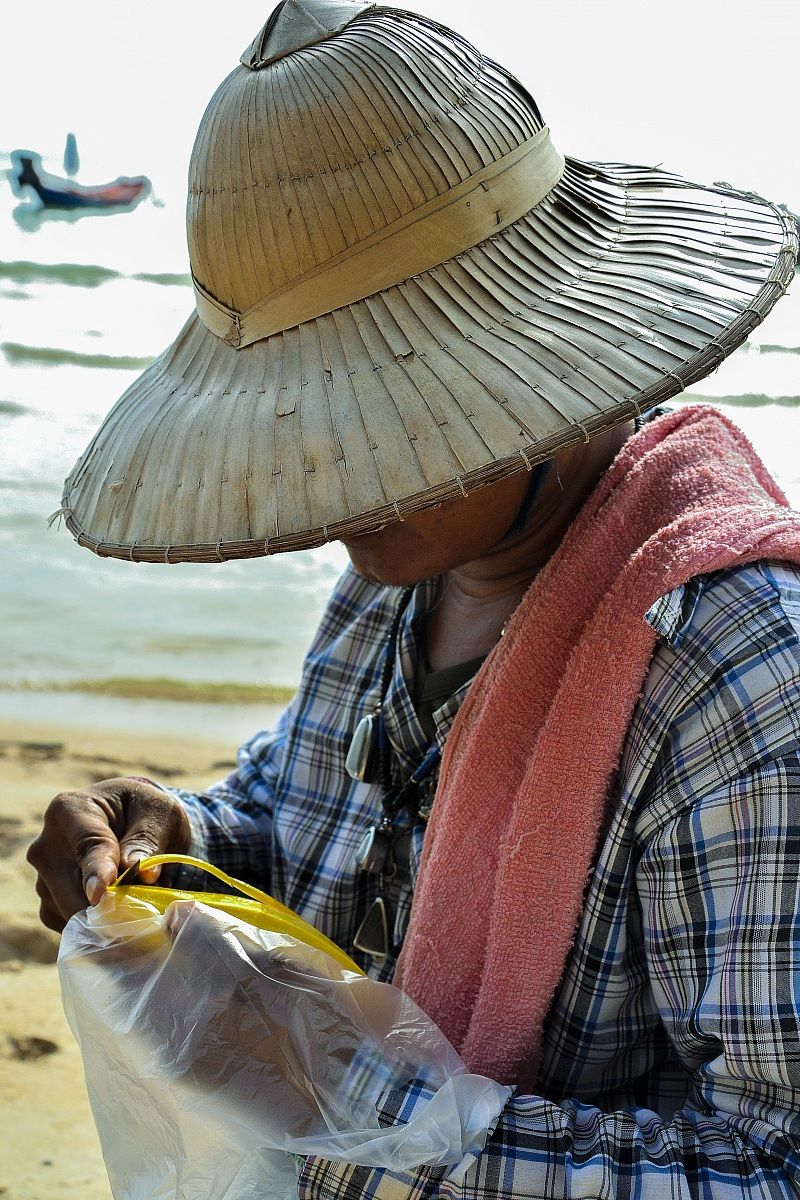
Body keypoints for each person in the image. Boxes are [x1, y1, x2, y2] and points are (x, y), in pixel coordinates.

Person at [27, 1, 800, 1195]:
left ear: (539, 365)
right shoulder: (390, 584)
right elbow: (304, 826)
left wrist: (355, 1099)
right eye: (309, 430)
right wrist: (178, 845)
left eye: (368, 431)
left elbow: (768, 1161)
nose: (327, 482)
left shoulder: (731, 675)